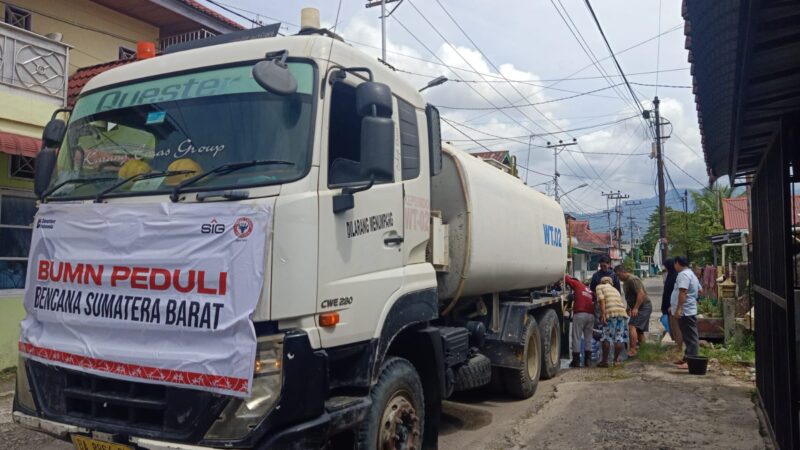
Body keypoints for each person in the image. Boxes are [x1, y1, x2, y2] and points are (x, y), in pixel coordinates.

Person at [615, 265, 653, 357]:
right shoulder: (625, 282)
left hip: (643, 307)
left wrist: (635, 308)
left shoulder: (633, 280)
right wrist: (629, 307)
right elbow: (631, 296)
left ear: (624, 272)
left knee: (632, 326)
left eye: (619, 275)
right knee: (639, 330)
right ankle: (644, 350)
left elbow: (641, 294)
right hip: (639, 306)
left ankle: (633, 349)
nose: (618, 277)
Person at [671, 256, 701, 369]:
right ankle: (686, 358)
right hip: (688, 309)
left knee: (691, 336)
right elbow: (700, 290)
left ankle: (691, 361)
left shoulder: (683, 275)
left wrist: (679, 308)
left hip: (686, 311)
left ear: (678, 263)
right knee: (687, 335)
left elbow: (683, 292)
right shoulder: (691, 273)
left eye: (675, 264)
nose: (674, 266)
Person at [595, 276, 629, 367]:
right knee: (618, 337)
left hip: (610, 313)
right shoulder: (615, 290)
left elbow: (602, 301)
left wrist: (603, 314)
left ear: (601, 282)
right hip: (622, 313)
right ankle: (616, 361)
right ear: (611, 283)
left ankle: (605, 361)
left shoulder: (599, 287)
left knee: (606, 337)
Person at [565, 275, 595, 368]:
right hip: (591, 315)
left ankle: (576, 361)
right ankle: (588, 361)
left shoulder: (578, 284)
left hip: (580, 314)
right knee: (588, 338)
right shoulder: (589, 290)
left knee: (576, 337)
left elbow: (566, 278)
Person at [661, 259, 683, 355]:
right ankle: (677, 345)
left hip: (671, 306)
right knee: (672, 326)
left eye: (665, 266)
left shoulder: (675, 276)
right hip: (668, 305)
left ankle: (679, 347)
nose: (664, 268)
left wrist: (671, 305)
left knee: (676, 327)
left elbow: (676, 293)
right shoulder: (670, 275)